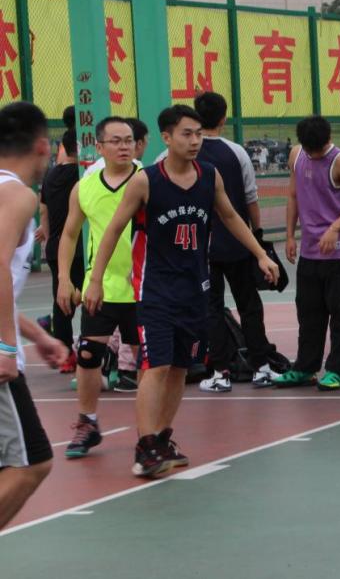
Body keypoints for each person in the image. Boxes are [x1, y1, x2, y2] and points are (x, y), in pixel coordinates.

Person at [83, 105, 278, 478]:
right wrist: (95, 280)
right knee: (155, 366)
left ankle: (162, 437)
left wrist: (260, 254)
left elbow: (230, 216)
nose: (195, 141)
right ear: (167, 137)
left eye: (199, 133)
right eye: (187, 134)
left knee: (179, 367)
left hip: (196, 289)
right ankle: (145, 446)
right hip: (155, 290)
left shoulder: (209, 176)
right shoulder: (146, 182)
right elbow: (113, 230)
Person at [0, 102, 69, 529]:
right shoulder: (17, 194)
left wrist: (37, 336)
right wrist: (7, 347)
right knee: (31, 464)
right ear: (43, 146)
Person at [56, 117, 141, 458]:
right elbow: (69, 234)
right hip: (100, 287)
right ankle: (87, 423)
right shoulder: (85, 187)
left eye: (129, 140)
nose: (124, 146)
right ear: (99, 146)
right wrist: (65, 279)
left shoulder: (148, 181)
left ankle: (152, 430)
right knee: (89, 354)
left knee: (151, 361)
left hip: (144, 286)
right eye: (116, 141)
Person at [189, 92, 280, 393]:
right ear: (224, 118)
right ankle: (261, 367)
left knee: (212, 308)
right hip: (238, 243)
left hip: (201, 248)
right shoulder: (236, 152)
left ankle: (220, 371)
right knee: (249, 304)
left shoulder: (179, 155)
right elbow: (251, 198)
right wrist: (257, 235)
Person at [274, 116, 340, 391]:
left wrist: (335, 228)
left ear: (328, 140)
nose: (313, 155)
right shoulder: (297, 155)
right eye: (309, 150)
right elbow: (293, 196)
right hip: (310, 250)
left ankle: (337, 370)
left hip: (338, 253)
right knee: (308, 313)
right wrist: (290, 235)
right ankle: (305, 367)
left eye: (318, 150)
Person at [38, 128, 85, 364]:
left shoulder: (50, 175)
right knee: (86, 298)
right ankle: (86, 350)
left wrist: (48, 240)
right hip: (79, 245)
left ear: (63, 147)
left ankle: (65, 353)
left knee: (62, 300)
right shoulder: (84, 175)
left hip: (55, 246)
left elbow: (43, 211)